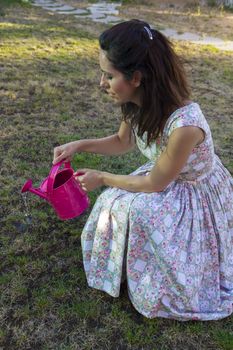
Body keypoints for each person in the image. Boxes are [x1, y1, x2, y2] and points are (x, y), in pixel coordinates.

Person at [53, 19, 233, 321]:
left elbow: (154, 184)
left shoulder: (185, 125)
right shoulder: (138, 102)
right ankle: (124, 269)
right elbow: (122, 142)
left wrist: (103, 178)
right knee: (112, 202)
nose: (101, 83)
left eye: (109, 76)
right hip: (163, 177)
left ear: (136, 76)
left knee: (139, 211)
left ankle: (159, 278)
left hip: (193, 192)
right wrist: (78, 145)